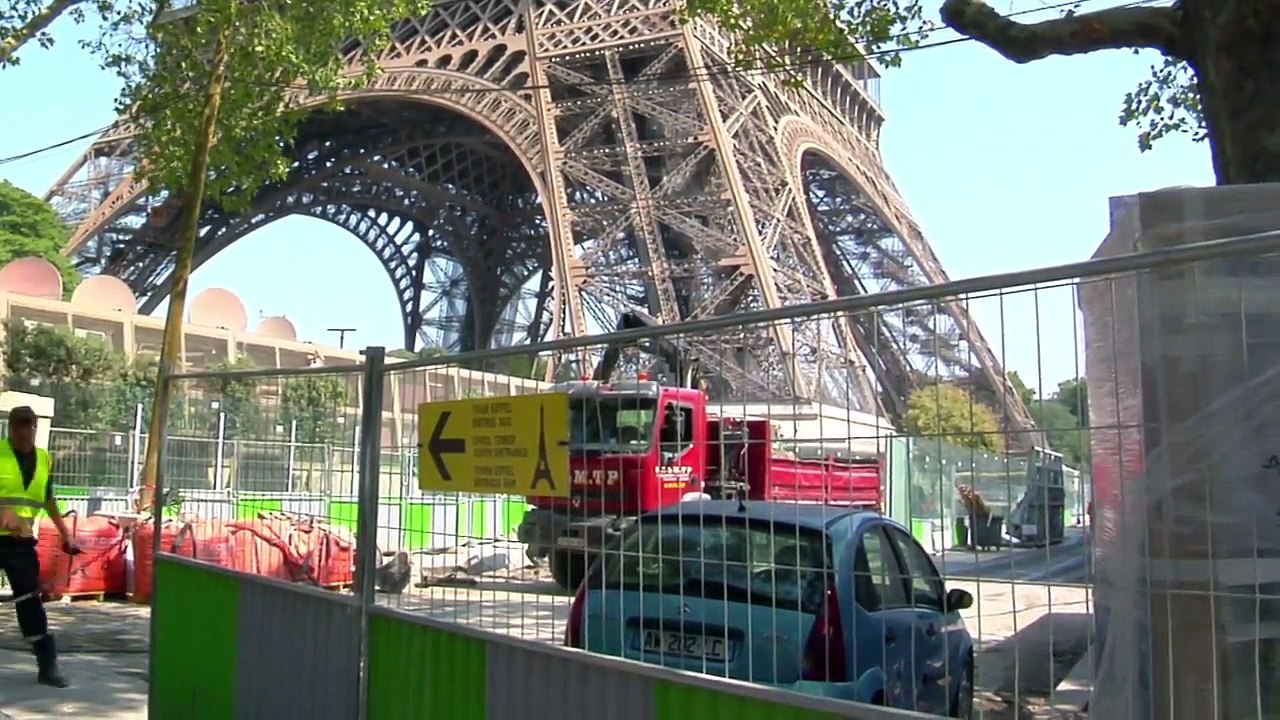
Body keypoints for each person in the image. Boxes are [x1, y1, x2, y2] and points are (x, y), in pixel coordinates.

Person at [0, 406, 76, 688]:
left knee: (30, 602)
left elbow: (47, 499)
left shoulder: (44, 459)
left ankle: (47, 666)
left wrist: (66, 535)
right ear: (10, 428)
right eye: (19, 425)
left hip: (21, 545)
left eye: (29, 425)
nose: (25, 431)